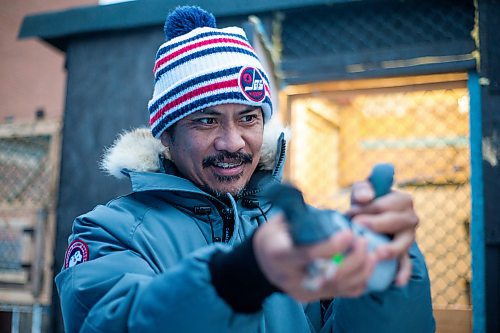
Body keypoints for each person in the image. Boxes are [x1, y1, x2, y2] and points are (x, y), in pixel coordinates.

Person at [56, 6, 435, 333]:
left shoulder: (306, 234)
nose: (232, 142)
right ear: (166, 136)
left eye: (248, 118)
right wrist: (240, 277)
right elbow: (116, 321)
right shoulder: (109, 233)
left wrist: (385, 267)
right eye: (206, 121)